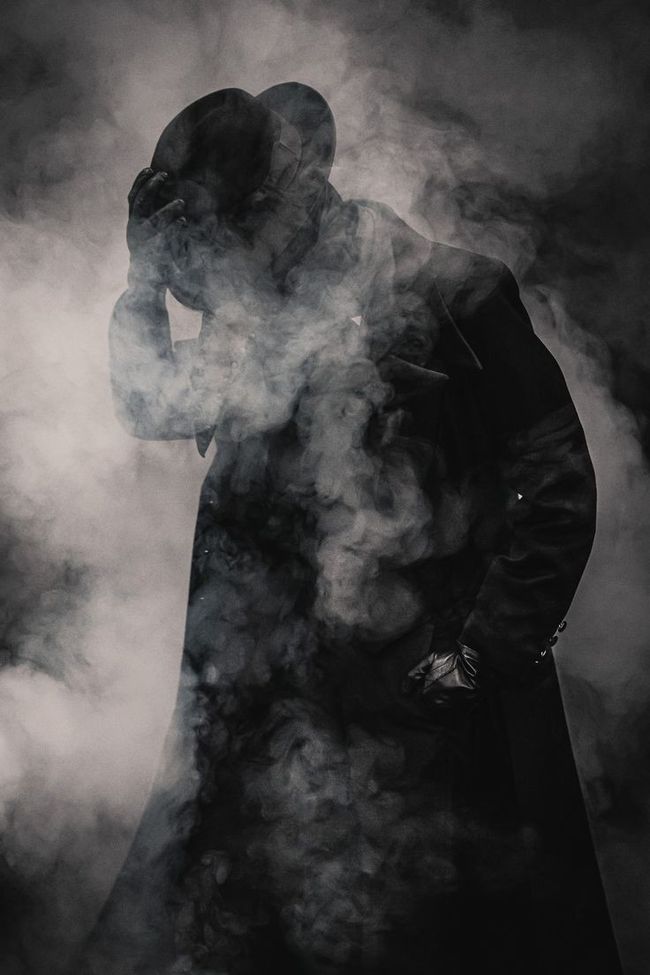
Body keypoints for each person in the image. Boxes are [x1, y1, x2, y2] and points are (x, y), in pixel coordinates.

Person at [86, 83, 622, 974]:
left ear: (293, 199)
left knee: (437, 938)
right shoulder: (252, 317)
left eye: (231, 249)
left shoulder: (457, 294)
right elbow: (151, 403)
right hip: (268, 711)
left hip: (423, 714)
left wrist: (482, 652)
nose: (222, 282)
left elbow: (559, 485)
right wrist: (143, 283)